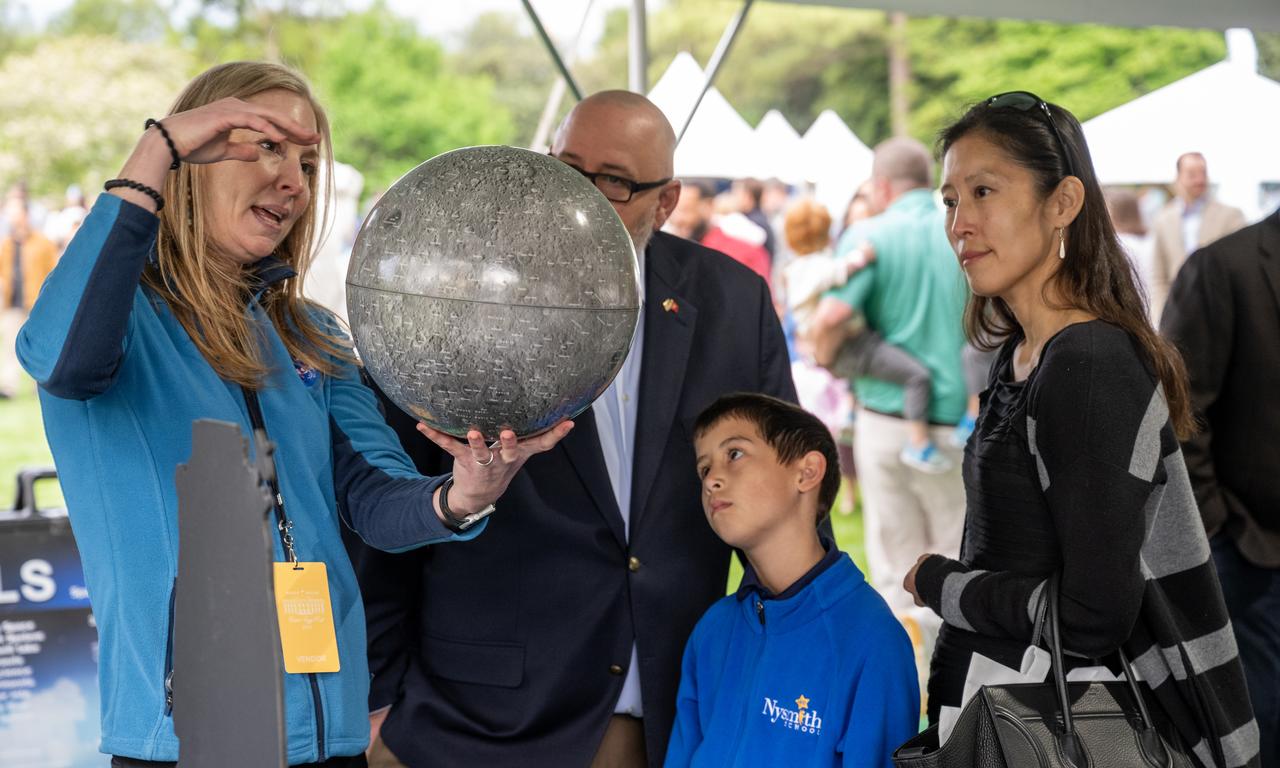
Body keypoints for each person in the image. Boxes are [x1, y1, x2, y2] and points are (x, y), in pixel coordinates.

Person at [17, 61, 570, 767]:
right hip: (187, 741)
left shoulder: (312, 333)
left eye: (308, 163)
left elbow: (374, 497)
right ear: (193, 158)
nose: (294, 183)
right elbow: (64, 361)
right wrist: (155, 148)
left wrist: (465, 494)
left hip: (330, 741)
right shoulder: (117, 319)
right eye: (268, 148)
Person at [347, 89, 797, 768]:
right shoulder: (463, 297)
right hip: (470, 723)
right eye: (565, 169)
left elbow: (783, 495)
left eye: (612, 182)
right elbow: (389, 503)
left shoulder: (732, 299)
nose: (576, 199)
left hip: (668, 716)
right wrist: (379, 701)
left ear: (667, 200)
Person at [904, 91, 1258, 767]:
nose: (961, 223)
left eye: (984, 191)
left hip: (1056, 730)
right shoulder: (1023, 353)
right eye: (950, 200)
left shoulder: (1088, 364)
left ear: (1063, 203)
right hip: (1004, 714)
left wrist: (941, 586)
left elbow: (1094, 615)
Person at [665, 393, 918, 768]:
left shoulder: (871, 640)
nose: (713, 480)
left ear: (806, 472)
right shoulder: (713, 630)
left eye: (734, 454)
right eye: (704, 469)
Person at [808, 137, 968, 645]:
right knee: (958, 560)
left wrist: (825, 355)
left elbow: (831, 316)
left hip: (884, 419)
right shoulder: (964, 230)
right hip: (961, 419)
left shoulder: (869, 233)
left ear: (880, 186)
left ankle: (907, 685)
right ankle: (955, 696)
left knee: (897, 566)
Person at [1161, 207, 1280, 766]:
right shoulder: (1222, 268)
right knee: (1254, 734)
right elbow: (1177, 415)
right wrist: (1220, 529)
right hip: (1251, 555)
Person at [1150, 152, 1245, 319]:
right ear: (1178, 178)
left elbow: (1242, 267)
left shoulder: (1231, 216)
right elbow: (1158, 275)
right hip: (1177, 313)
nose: (1199, 180)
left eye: (1203, 173)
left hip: (1220, 311)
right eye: (1192, 174)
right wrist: (1161, 315)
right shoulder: (1163, 219)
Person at [1, 195, 58, 398]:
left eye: (15, 213)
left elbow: (55, 270)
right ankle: (8, 388)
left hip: (36, 302)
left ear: (25, 215)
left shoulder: (42, 243)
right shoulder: (6, 244)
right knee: (9, 345)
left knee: (38, 346)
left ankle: (41, 385)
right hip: (12, 303)